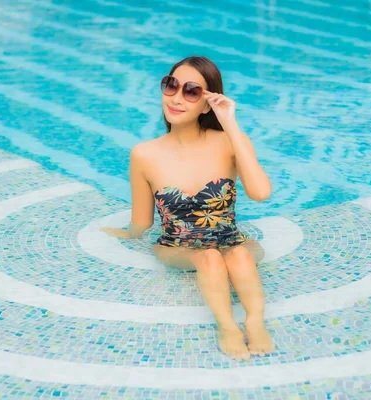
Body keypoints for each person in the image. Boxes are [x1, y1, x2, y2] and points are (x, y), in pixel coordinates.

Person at [101, 56, 274, 360]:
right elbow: (142, 220)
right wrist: (128, 233)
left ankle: (255, 321)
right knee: (208, 257)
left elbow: (260, 192)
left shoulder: (229, 141)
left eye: (192, 91)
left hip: (229, 238)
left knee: (239, 254)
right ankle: (227, 326)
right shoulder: (144, 154)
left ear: (206, 103)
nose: (177, 98)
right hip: (176, 245)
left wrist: (230, 123)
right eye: (171, 85)